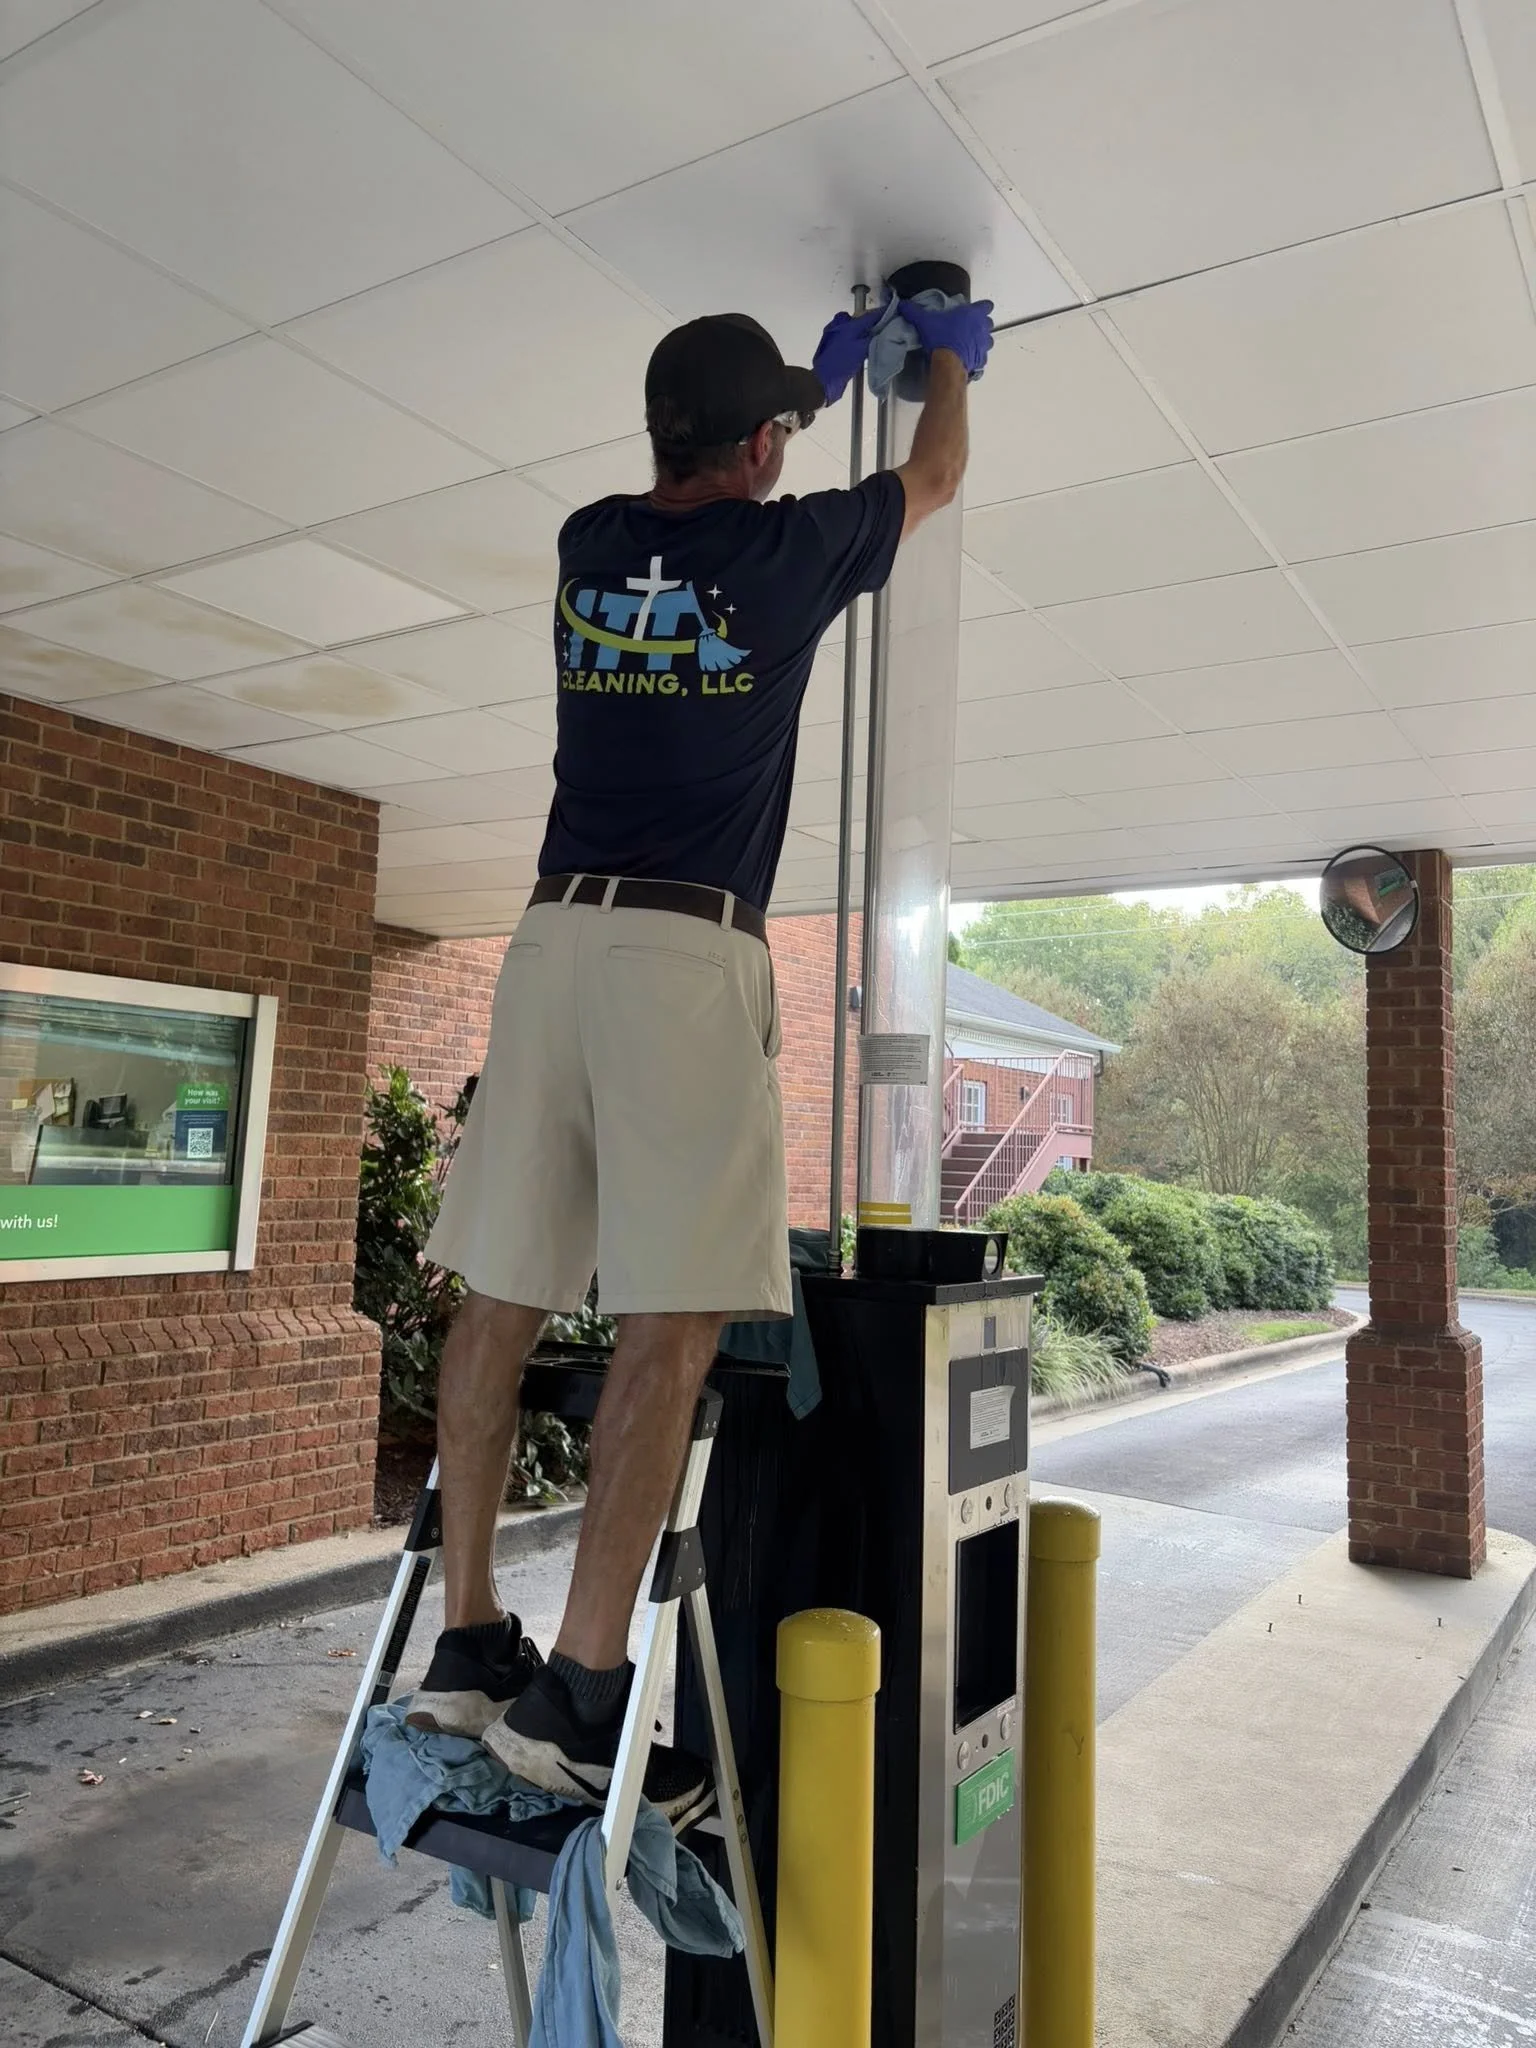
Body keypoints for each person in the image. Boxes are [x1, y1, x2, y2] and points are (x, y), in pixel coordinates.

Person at [407, 293, 994, 1819]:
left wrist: (787, 418)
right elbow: (935, 478)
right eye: (782, 432)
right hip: (683, 953)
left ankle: (468, 1641)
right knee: (670, 1326)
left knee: (503, 1296)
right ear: (752, 449)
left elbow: (706, 512)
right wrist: (942, 365)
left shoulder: (587, 543)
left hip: (549, 949)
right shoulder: (783, 558)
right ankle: (585, 1694)